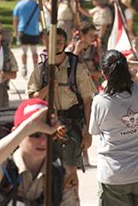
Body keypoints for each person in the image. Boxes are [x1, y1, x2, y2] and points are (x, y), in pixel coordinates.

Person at [0, 98, 80, 205]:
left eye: (48, 134)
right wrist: (27, 128)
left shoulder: (59, 176)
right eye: (34, 134)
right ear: (17, 132)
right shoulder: (2, 166)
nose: (42, 141)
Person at [28, 27, 96, 193]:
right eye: (52, 42)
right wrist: (49, 86)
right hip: (47, 126)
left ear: (65, 43)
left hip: (70, 126)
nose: (56, 45)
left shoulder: (76, 67)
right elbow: (32, 99)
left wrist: (88, 132)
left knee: (69, 170)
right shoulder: (41, 70)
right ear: (46, 43)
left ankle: (72, 201)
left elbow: (88, 101)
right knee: (47, 171)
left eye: (59, 42)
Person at [89, 50, 138, 205]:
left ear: (104, 74)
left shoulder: (100, 102)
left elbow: (94, 131)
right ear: (126, 68)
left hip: (114, 175)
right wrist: (133, 64)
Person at [13, 0, 41, 78]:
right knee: (34, 51)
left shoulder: (19, 5)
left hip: (23, 31)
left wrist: (16, 30)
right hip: (34, 31)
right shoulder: (36, 5)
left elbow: (16, 19)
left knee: (23, 51)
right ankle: (35, 68)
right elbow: (40, 18)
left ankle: (24, 68)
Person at [67, 21, 103, 88]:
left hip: (93, 84)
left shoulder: (95, 49)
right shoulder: (71, 48)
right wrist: (76, 51)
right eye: (90, 35)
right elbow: (69, 67)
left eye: (94, 35)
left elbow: (101, 70)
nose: (93, 38)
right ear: (82, 35)